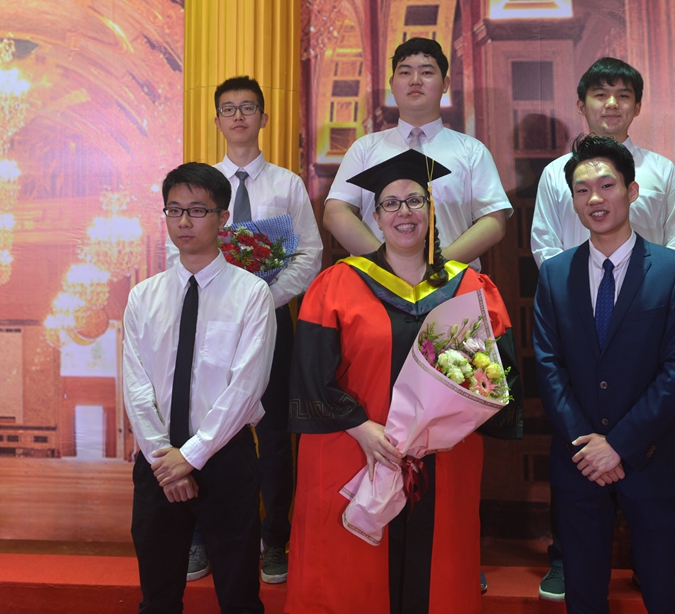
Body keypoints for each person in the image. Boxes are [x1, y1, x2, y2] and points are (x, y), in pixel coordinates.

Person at [285, 149, 523, 614]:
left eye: (415, 201)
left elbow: (500, 378)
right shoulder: (338, 284)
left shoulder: (469, 286)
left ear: (431, 211)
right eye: (390, 203)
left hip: (441, 456)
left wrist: (445, 424)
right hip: (356, 451)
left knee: (437, 572)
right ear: (375, 217)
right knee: (352, 576)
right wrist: (361, 427)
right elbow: (309, 375)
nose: (404, 212)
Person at [530, 57, 675, 601]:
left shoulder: (674, 273)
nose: (595, 199)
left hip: (651, 451)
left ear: (631, 191)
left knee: (664, 592)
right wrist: (589, 445)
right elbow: (548, 366)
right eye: (584, 191)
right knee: (583, 595)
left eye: (608, 186)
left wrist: (618, 445)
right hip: (577, 454)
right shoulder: (556, 276)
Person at [168, 76, 323, 584]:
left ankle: (274, 539)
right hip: (207, 323)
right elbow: (176, 252)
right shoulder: (199, 184)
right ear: (216, 120)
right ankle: (199, 537)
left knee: (274, 435)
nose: (238, 116)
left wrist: (258, 303)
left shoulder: (287, 185)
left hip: (272, 321)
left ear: (263, 118)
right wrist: (223, 304)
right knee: (202, 425)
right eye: (229, 109)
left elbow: (310, 255)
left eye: (248, 107)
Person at [123, 162, 277, 613]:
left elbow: (246, 387)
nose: (184, 222)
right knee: (157, 597)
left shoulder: (251, 293)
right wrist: (164, 458)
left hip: (225, 457)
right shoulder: (144, 296)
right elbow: (136, 383)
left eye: (196, 210)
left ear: (222, 218)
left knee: (238, 596)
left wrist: (191, 456)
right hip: (157, 462)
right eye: (174, 210)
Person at [323, 37, 512, 273]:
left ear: (445, 83)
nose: (415, 80)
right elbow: (336, 212)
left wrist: (435, 268)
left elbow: (493, 221)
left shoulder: (472, 151)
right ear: (392, 84)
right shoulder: (364, 148)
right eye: (405, 73)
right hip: (375, 283)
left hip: (451, 282)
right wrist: (388, 266)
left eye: (426, 72)